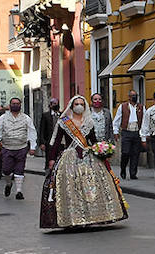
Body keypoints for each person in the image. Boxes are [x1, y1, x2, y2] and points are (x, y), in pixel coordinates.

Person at [41, 94, 128, 230]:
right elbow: (56, 141)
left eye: (81, 103)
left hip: (88, 156)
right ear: (71, 106)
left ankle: (92, 217)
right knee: (71, 186)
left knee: (92, 185)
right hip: (69, 158)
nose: (79, 106)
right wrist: (51, 159)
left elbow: (93, 140)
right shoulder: (64, 122)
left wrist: (102, 150)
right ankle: (73, 218)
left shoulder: (89, 122)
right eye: (76, 104)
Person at [0, 97, 37, 200]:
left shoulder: (26, 118)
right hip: (7, 147)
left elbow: (32, 132)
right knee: (6, 170)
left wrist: (33, 146)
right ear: (10, 105)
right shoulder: (3, 118)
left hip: (21, 147)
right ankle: (9, 183)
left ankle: (19, 191)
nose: (15, 105)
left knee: (19, 170)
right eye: (13, 103)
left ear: (20, 105)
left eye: (17, 103)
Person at [113, 90, 143, 180]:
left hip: (137, 131)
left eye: (136, 95)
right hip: (126, 131)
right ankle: (123, 169)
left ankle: (133, 173)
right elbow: (117, 120)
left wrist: (144, 134)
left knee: (135, 153)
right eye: (132, 96)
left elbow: (144, 121)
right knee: (125, 152)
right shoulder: (122, 107)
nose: (134, 97)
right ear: (129, 97)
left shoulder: (141, 107)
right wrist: (116, 132)